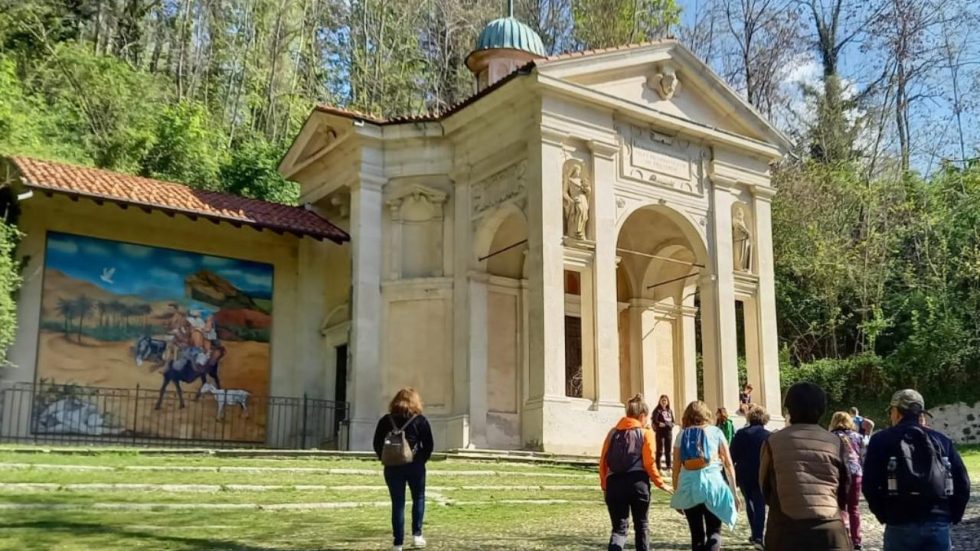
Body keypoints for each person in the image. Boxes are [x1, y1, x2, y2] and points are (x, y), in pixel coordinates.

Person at [862, 389, 971, 551]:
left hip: (899, 520)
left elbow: (869, 484)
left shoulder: (881, 440)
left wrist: (884, 514)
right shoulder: (942, 440)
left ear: (897, 412)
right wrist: (952, 515)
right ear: (921, 413)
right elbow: (963, 483)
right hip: (937, 520)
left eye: (891, 411)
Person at [760, 382, 851, 550]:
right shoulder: (835, 442)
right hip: (829, 531)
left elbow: (765, 487)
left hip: (785, 531)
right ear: (822, 409)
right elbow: (845, 487)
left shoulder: (773, 442)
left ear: (789, 408)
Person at [599, 394, 673, 551]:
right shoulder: (646, 433)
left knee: (619, 529)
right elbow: (649, 462)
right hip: (637, 483)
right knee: (642, 526)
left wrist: (605, 486)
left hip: (614, 483)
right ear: (642, 416)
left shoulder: (612, 433)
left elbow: (603, 462)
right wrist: (661, 484)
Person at [671, 400, 740, 551]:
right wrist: (734, 493)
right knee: (714, 532)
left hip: (688, 487)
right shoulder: (716, 432)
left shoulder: (681, 435)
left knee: (696, 536)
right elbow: (728, 464)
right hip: (713, 485)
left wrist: (678, 494)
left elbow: (675, 468)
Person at [373, 388, 434, 551]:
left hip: (392, 467)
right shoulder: (420, 420)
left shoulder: (386, 420)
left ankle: (398, 543)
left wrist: (385, 457)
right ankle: (417, 535)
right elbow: (428, 445)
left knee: (398, 503)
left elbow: (377, 443)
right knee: (418, 498)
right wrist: (420, 460)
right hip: (415, 465)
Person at [730, 405, 771, 550]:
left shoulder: (741, 434)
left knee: (749, 502)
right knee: (760, 504)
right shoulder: (768, 435)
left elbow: (732, 454)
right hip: (761, 473)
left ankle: (755, 533)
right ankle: (758, 536)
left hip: (744, 474)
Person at [830, 411, 866, 550]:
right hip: (856, 473)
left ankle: (843, 537)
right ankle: (856, 540)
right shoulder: (858, 437)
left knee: (840, 506)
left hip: (839, 474)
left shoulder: (831, 437)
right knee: (854, 508)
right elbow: (862, 457)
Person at [652, 394, 675, 471]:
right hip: (660, 432)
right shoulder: (657, 410)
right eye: (662, 400)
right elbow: (654, 420)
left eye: (665, 400)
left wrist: (672, 425)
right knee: (660, 450)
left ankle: (669, 467)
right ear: (660, 401)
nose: (664, 402)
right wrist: (659, 424)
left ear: (668, 402)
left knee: (668, 450)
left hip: (668, 432)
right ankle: (658, 468)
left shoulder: (669, 411)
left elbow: (673, 421)